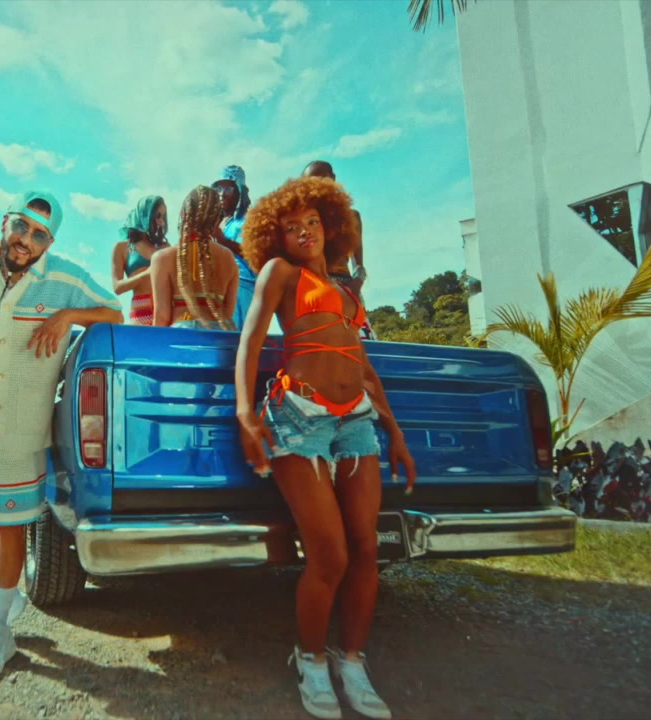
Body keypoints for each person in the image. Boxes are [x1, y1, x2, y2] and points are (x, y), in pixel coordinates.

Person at [233, 176, 416, 720]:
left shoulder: (344, 290)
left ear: (329, 226)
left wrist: (395, 432)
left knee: (366, 548)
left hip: (356, 422)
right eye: (292, 227)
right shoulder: (280, 273)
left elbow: (364, 366)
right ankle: (311, 660)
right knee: (329, 555)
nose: (304, 233)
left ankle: (351, 661)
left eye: (312, 222)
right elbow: (250, 341)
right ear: (277, 238)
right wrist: (245, 414)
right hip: (300, 420)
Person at [0, 190, 123, 680]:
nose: (26, 239)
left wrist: (67, 316)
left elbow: (114, 312)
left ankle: (0, 629)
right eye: (21, 226)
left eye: (39, 234)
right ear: (4, 222)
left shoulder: (66, 278)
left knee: (10, 522)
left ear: (49, 242)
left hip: (21, 427)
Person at [301, 160, 373, 340]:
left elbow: (359, 264)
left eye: (321, 178)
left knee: (357, 343)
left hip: (347, 288)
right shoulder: (302, 221)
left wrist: (356, 283)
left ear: (332, 178)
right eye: (310, 182)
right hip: (313, 291)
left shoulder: (351, 216)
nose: (316, 186)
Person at [150, 186, 239, 330]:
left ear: (183, 213)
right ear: (216, 220)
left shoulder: (162, 258)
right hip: (219, 337)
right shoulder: (228, 257)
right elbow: (227, 313)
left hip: (182, 335)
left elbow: (162, 317)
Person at [110, 195, 169, 324]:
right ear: (145, 214)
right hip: (140, 311)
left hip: (165, 309)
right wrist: (147, 273)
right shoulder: (123, 247)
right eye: (158, 215)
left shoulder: (165, 247)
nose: (161, 221)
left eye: (163, 217)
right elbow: (117, 287)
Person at [211, 164, 255, 330]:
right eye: (218, 189)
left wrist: (221, 239)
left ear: (239, 192)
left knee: (234, 338)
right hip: (217, 287)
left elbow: (254, 253)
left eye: (228, 189)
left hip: (240, 286)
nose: (222, 194)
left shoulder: (249, 220)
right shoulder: (219, 221)